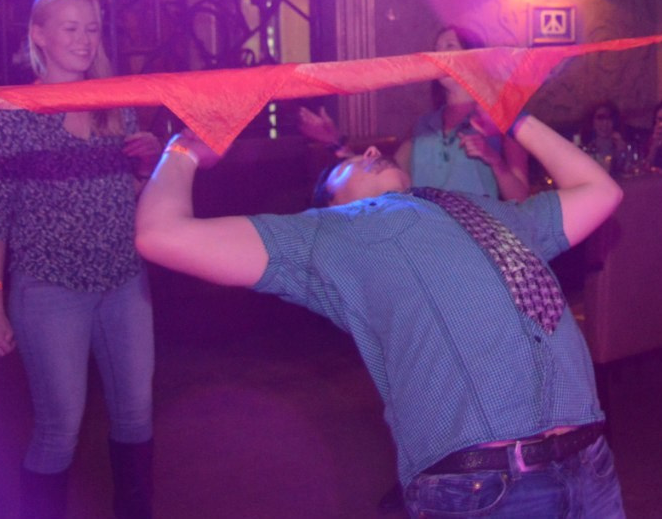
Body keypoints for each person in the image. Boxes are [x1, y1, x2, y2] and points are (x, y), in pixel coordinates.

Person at [135, 111, 627, 518]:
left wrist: (511, 113)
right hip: (485, 485)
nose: (371, 150)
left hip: (589, 461)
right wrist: (182, 149)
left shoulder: (486, 211)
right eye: (349, 162)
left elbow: (600, 191)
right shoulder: (326, 235)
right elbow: (162, 234)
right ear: (328, 200)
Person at [0, 0, 161, 519]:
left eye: (92, 28)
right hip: (49, 289)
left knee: (136, 415)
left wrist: (147, 163)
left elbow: (127, 196)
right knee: (59, 429)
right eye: (70, 28)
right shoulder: (14, 112)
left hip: (124, 281)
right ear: (39, 34)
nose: (84, 40)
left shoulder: (114, 102)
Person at [298, 25, 530, 201]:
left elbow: (520, 198)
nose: (438, 56)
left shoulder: (503, 118)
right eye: (435, 50)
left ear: (474, 57)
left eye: (449, 47)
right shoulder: (424, 125)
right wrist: (335, 142)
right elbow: (387, 175)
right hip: (424, 234)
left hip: (477, 236)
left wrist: (494, 161)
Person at [580, 100, 629, 173]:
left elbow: (628, 169)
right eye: (600, 118)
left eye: (609, 119)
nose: (605, 123)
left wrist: (622, 150)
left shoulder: (621, 143)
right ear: (592, 121)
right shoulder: (585, 145)